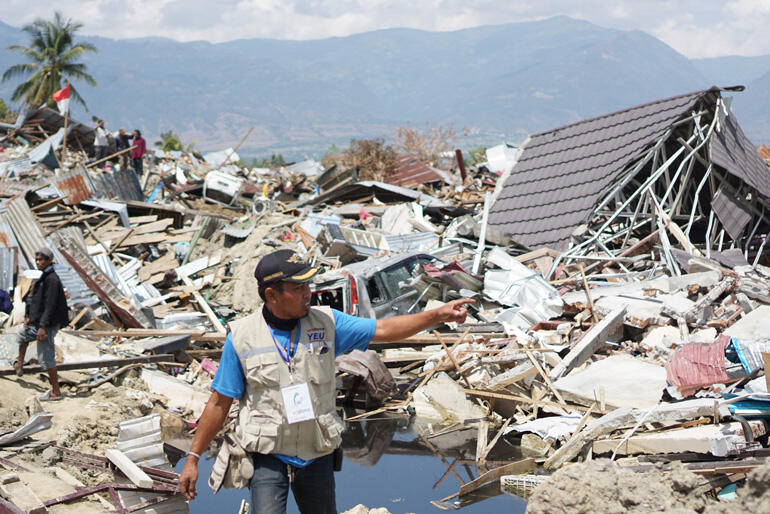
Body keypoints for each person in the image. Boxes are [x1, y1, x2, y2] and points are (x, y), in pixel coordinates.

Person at [179, 250, 472, 513]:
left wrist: (438, 314)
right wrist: (192, 458)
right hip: (267, 453)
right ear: (271, 295)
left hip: (315, 451)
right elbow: (219, 403)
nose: (308, 293)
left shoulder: (328, 323)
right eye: (298, 288)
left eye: (308, 285)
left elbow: (384, 329)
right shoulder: (241, 337)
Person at [16, 247, 69, 401]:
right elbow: (36, 302)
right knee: (22, 335)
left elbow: (50, 305)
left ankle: (56, 392)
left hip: (47, 325)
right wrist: (29, 319)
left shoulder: (52, 279)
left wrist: (43, 327)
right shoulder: (43, 277)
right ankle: (19, 364)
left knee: (46, 358)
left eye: (41, 260)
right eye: (37, 259)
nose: (38, 262)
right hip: (38, 323)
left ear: (49, 260)